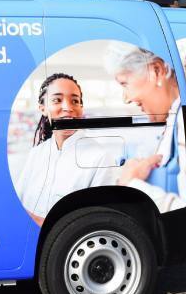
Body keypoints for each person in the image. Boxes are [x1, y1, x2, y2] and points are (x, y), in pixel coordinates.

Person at [15, 73, 120, 226]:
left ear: (81, 108)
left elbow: (98, 220)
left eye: (75, 101)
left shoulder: (100, 157)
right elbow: (19, 201)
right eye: (57, 100)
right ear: (43, 108)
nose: (68, 107)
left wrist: (34, 220)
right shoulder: (37, 153)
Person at [105, 46, 185, 213]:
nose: (126, 98)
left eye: (124, 84)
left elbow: (184, 208)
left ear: (156, 71)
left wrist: (130, 185)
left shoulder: (185, 122)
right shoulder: (173, 119)